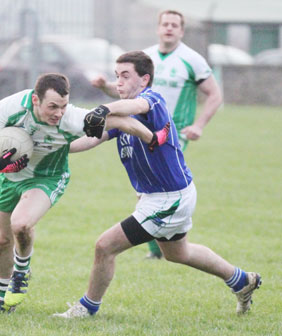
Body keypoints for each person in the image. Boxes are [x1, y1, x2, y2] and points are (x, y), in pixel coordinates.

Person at [53, 51, 261, 318]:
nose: (119, 82)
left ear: (145, 79)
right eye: (117, 76)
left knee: (104, 246)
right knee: (178, 253)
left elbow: (135, 107)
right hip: (163, 196)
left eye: (126, 76)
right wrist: (56, 149)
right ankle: (242, 281)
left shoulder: (152, 99)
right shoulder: (123, 115)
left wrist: (103, 108)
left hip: (169, 198)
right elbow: (93, 138)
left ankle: (86, 308)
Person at [0, 72, 170, 314]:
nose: (58, 113)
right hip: (11, 178)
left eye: (63, 106)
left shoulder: (73, 118)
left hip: (48, 177)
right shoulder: (12, 107)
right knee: (2, 240)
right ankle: (1, 301)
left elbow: (119, 121)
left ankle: (21, 272)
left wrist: (153, 137)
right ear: (35, 100)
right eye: (52, 106)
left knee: (21, 224)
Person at [91, 10, 223, 259]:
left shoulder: (192, 60)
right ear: (158, 28)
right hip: (138, 127)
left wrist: (199, 126)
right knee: (149, 192)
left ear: (182, 31)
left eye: (175, 25)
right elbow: (123, 97)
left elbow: (215, 95)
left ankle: (156, 245)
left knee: (157, 189)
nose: (169, 28)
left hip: (170, 133)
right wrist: (103, 87)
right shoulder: (145, 57)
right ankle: (162, 246)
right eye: (165, 24)